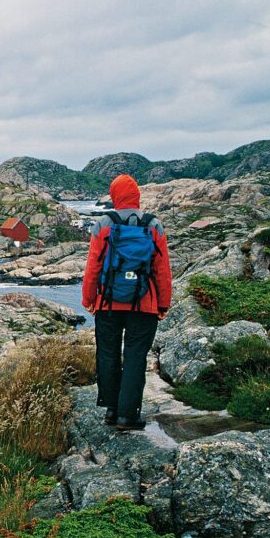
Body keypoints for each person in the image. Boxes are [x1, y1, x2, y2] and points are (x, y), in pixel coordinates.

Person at [82, 174, 172, 431]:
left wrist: (89, 299)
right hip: (144, 304)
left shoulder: (103, 223)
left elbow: (93, 266)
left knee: (108, 354)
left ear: (114, 196)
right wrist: (163, 304)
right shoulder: (153, 224)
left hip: (108, 303)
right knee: (135, 356)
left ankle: (111, 409)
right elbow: (162, 270)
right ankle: (127, 415)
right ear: (137, 196)